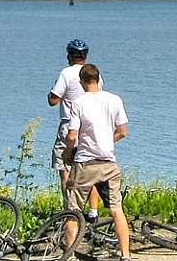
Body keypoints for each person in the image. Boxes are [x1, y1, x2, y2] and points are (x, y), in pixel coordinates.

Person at [63, 64, 129, 261]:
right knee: (117, 210)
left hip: (85, 163)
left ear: (82, 82)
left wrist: (68, 152)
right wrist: (108, 141)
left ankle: (70, 254)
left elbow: (72, 135)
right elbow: (122, 131)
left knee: (73, 211)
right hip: (109, 163)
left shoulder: (79, 103)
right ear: (98, 79)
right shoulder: (114, 100)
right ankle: (125, 255)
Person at [47, 39, 102, 220]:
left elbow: (53, 100)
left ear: (69, 55)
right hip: (90, 126)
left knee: (65, 168)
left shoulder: (66, 73)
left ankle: (70, 211)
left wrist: (53, 90)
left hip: (69, 125)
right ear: (85, 55)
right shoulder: (95, 74)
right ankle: (93, 212)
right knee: (90, 170)